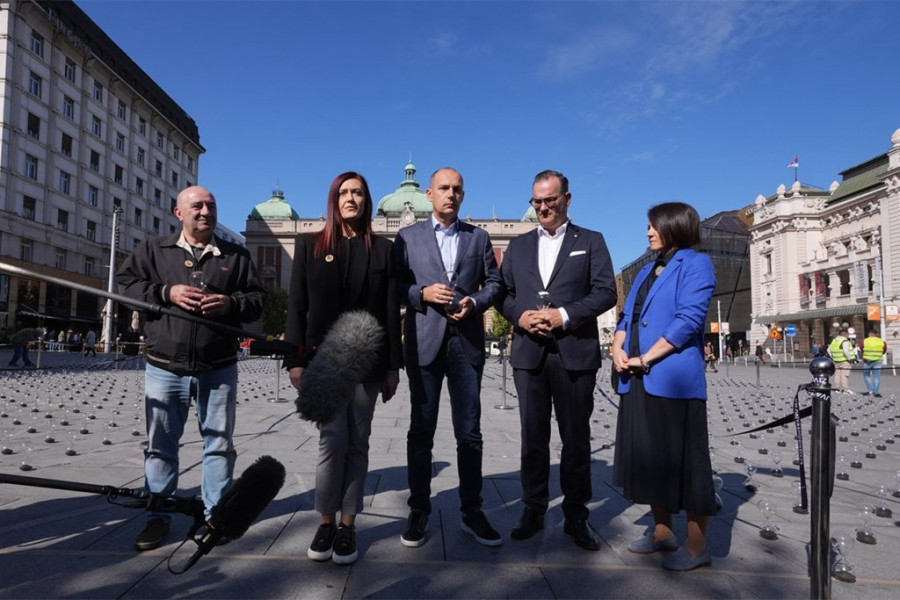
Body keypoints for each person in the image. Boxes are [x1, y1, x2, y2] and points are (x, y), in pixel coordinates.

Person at [118, 185, 267, 551]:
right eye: (197, 206)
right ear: (178, 213)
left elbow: (257, 300)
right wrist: (166, 293)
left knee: (219, 445)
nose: (205, 212)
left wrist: (230, 304)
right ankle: (158, 516)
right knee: (161, 445)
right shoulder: (154, 249)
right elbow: (125, 285)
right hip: (164, 366)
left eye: (211, 206)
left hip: (218, 367)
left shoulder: (236, 255)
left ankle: (215, 517)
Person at [284, 172, 402, 565]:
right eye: (344, 193)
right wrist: (295, 360)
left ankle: (348, 525)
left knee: (358, 443)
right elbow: (297, 306)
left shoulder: (384, 250)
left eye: (358, 193)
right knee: (331, 442)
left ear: (367, 200)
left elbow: (390, 311)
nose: (351, 199)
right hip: (324, 361)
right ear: (334, 200)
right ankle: (325, 522)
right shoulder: (309, 245)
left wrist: (393, 367)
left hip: (368, 361)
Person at [499, 170, 617, 551]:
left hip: (574, 354)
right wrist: (520, 316)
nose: (543, 207)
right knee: (533, 438)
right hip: (529, 354)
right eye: (537, 201)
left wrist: (563, 315)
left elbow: (606, 292)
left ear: (567, 199)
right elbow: (502, 293)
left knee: (576, 439)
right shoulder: (518, 246)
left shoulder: (591, 241)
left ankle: (576, 515)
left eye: (550, 200)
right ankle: (533, 509)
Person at [392, 167, 504, 548]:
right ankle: (419, 508)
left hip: (466, 343)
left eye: (457, 189)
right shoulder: (407, 237)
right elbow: (395, 286)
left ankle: (472, 509)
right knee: (421, 430)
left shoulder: (479, 237)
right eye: (443, 188)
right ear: (430, 194)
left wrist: (476, 301)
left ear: (463, 195)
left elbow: (495, 284)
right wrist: (420, 294)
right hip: (424, 341)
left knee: (469, 432)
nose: (450, 194)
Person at [611, 202, 717, 571]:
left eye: (654, 226)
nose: (648, 232)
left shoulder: (696, 264)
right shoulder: (648, 269)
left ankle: (696, 548)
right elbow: (627, 316)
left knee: (687, 463)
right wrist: (617, 346)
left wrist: (646, 357)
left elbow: (689, 320)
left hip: (673, 379)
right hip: (638, 378)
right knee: (651, 460)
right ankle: (662, 533)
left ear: (675, 227)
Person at [827, 328, 856, 393]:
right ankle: (845, 389)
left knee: (837, 375)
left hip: (836, 360)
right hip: (845, 361)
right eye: (848, 334)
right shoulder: (845, 341)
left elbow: (828, 350)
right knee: (845, 375)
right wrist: (850, 359)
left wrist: (833, 356)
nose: (848, 336)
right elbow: (846, 351)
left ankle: (837, 388)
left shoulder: (834, 341)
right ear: (845, 334)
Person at [859, 329, 887, 397]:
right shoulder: (882, 341)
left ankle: (870, 390)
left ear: (869, 334)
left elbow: (861, 348)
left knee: (866, 375)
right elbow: (884, 350)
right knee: (876, 376)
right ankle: (875, 392)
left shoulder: (865, 341)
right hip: (878, 360)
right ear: (876, 334)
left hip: (867, 360)